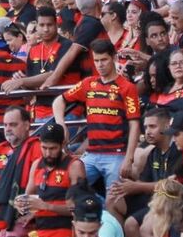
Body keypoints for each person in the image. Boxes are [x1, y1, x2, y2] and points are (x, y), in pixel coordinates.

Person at [52, 40, 141, 192]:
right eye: (96, 60)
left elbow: (135, 125)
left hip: (116, 154)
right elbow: (59, 101)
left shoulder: (127, 87)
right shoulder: (88, 83)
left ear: (114, 58)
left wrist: (129, 158)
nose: (100, 65)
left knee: (114, 199)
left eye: (104, 60)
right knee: (70, 190)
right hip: (91, 154)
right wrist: (61, 124)